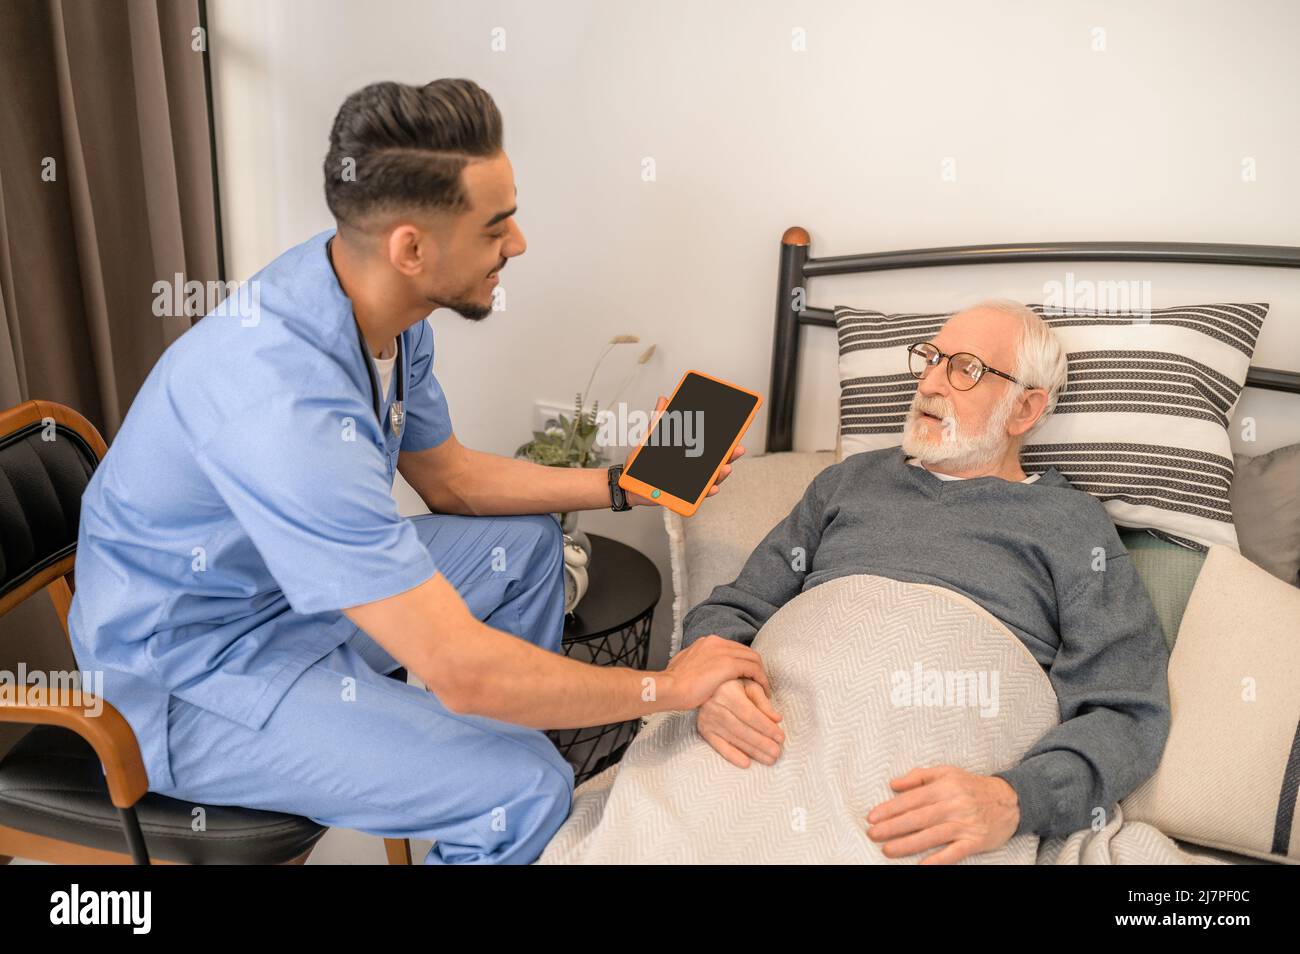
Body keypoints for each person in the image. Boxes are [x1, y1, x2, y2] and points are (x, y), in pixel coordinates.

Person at [68, 78, 767, 865]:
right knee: (527, 788)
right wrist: (668, 689)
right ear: (412, 247)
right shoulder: (283, 404)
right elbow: (463, 671)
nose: (520, 244)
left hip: (284, 601)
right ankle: (491, 797)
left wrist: (621, 484)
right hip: (192, 681)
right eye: (497, 225)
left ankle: (461, 780)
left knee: (528, 547)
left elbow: (454, 482)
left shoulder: (375, 309)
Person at [681, 300, 1171, 864]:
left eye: (965, 369)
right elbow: (735, 607)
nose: (931, 383)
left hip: (915, 776)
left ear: (1024, 409)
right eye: (931, 359)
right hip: (763, 739)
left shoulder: (1072, 524)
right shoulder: (847, 484)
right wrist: (711, 678)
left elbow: (1126, 710)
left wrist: (1015, 799)